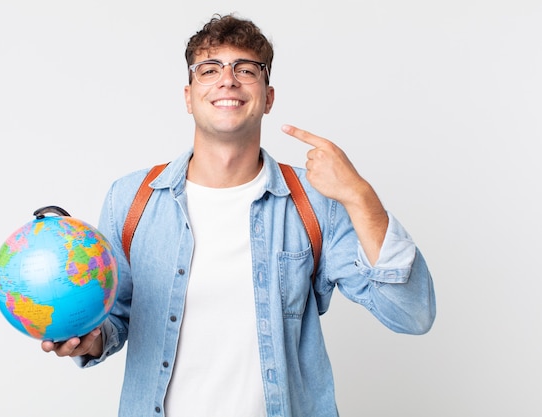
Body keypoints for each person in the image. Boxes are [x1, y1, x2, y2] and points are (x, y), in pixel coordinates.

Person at [42, 13, 436, 417]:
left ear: (268, 97)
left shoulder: (316, 203)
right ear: (189, 95)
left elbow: (411, 313)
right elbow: (115, 318)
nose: (227, 80)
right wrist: (88, 339)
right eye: (209, 69)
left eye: (245, 69)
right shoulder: (131, 199)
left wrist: (359, 194)